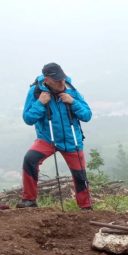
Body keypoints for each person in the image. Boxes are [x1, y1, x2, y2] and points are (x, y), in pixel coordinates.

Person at [19, 63, 92, 209]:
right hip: (47, 139)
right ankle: (29, 200)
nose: (61, 82)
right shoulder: (35, 92)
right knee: (30, 159)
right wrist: (40, 103)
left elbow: (87, 115)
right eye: (57, 80)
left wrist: (73, 102)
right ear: (47, 80)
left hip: (72, 140)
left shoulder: (72, 91)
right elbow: (28, 118)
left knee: (80, 175)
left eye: (62, 79)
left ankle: (86, 207)